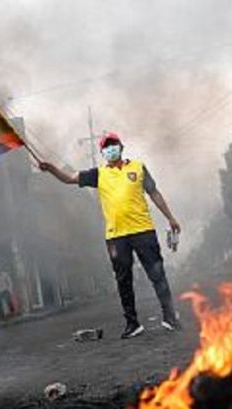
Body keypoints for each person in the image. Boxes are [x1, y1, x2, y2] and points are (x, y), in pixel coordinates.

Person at [39, 132, 182, 339]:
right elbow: (69, 178)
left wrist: (170, 217)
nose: (110, 149)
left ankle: (170, 317)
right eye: (106, 147)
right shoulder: (99, 174)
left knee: (157, 274)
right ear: (102, 152)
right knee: (123, 280)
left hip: (143, 230)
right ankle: (132, 324)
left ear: (121, 147)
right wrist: (51, 169)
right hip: (116, 236)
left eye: (113, 145)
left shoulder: (138, 168)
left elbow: (154, 193)